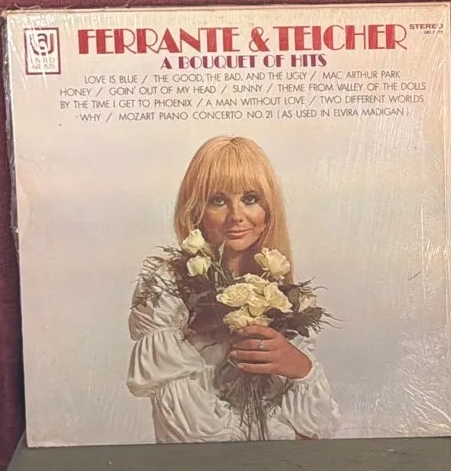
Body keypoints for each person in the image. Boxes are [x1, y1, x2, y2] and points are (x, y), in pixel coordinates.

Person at [126, 135, 340, 443]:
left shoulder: (290, 300)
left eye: (250, 199)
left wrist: (300, 368)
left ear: (268, 211)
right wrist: (281, 437)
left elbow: (318, 431)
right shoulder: (167, 284)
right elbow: (190, 433)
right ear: (195, 210)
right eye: (218, 200)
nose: (236, 216)